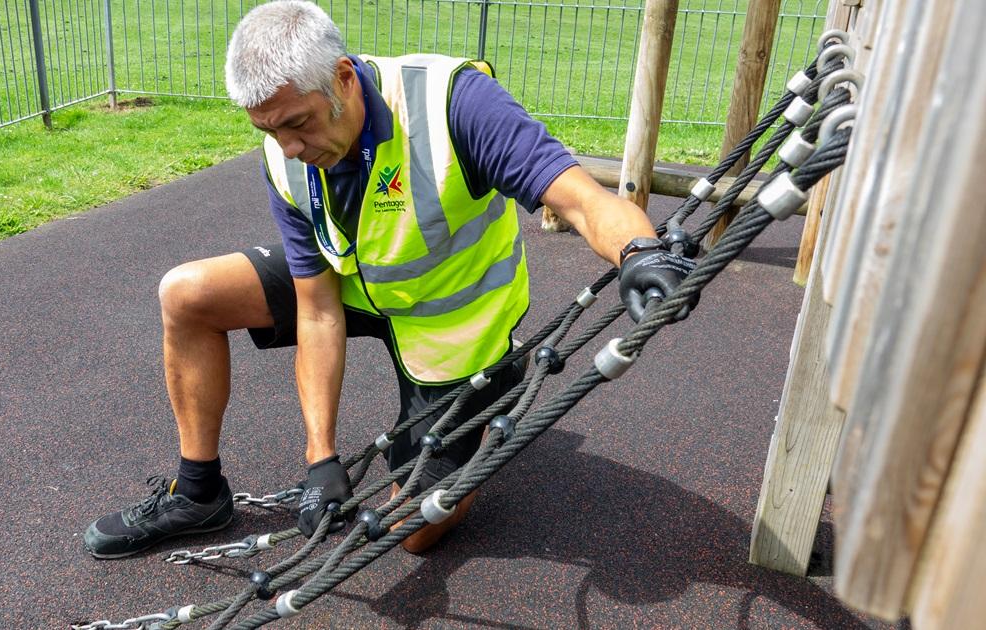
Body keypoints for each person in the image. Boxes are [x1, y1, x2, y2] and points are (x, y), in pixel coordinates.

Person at [83, 0, 697, 559]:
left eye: (297, 122)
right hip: (355, 285)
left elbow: (583, 199)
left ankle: (485, 405)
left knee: (415, 531)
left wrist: (639, 252)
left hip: (450, 322)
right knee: (187, 293)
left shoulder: (454, 103)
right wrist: (319, 454)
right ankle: (197, 494)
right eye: (269, 131)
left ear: (344, 79)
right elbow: (317, 306)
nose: (289, 147)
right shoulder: (286, 152)